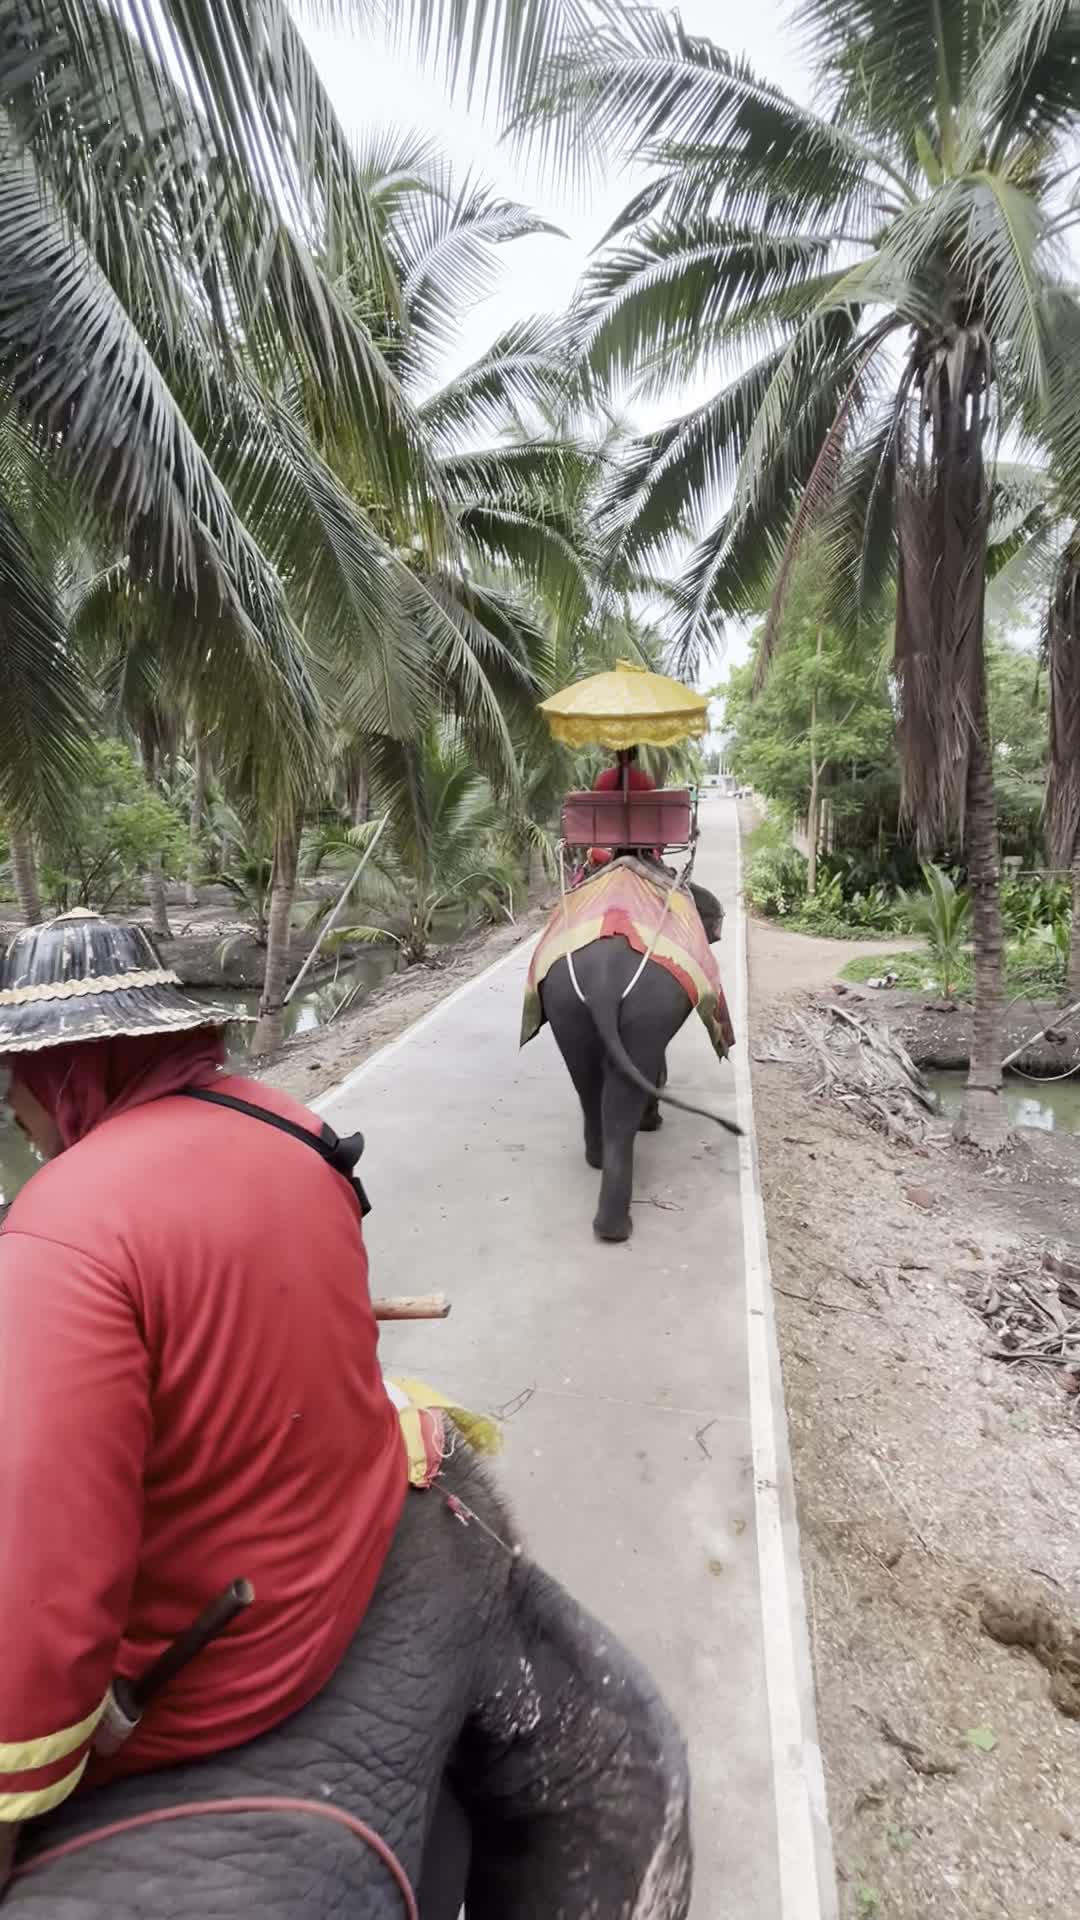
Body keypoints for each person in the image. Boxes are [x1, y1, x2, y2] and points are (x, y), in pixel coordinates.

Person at [0, 910, 410, 1873]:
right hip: (338, 1565)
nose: (12, 1103)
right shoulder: (296, 1127)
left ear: (69, 1071)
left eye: (14, 1075)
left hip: (219, 1671)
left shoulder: (62, 1223)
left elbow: (46, 1582)